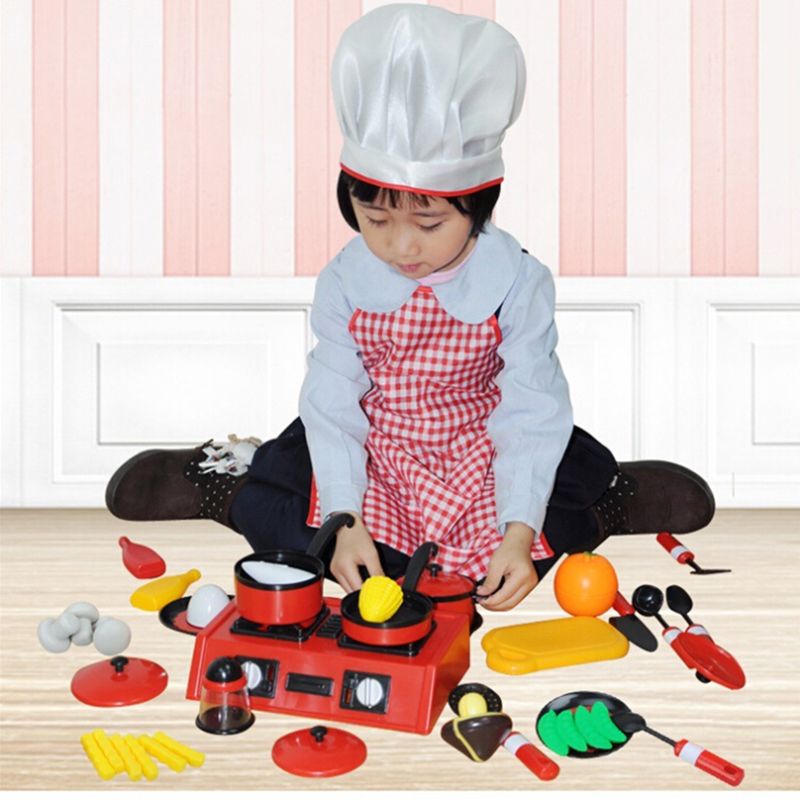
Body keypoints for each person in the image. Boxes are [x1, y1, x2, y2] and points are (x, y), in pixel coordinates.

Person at [105, 5, 714, 612]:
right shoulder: (345, 280)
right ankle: (226, 485)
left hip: (480, 441)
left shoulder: (517, 280)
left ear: (479, 207)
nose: (401, 248)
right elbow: (333, 401)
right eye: (375, 220)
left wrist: (519, 531)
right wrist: (344, 516)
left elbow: (532, 407)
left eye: (428, 224)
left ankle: (611, 499)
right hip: (377, 441)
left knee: (540, 527)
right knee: (318, 541)